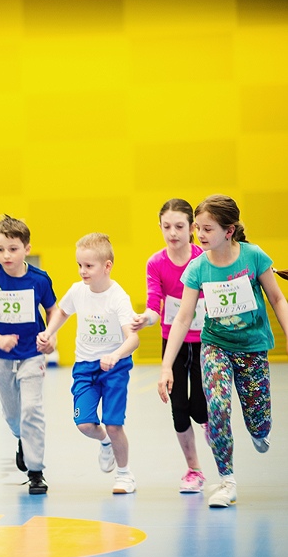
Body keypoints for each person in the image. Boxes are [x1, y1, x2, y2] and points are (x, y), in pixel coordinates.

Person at [158, 195, 288, 509]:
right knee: (217, 407)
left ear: (228, 231)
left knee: (258, 421)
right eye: (197, 229)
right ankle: (226, 480)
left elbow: (277, 300)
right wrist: (165, 367)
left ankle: (259, 428)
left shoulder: (253, 256)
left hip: (252, 348)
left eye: (207, 229)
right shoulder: (198, 267)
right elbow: (183, 317)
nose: (199, 235)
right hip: (215, 346)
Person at [37, 233, 139, 495]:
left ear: (107, 266)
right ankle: (104, 442)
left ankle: (125, 475)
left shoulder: (118, 297)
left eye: (89, 266)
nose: (83, 271)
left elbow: (133, 339)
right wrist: (50, 332)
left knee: (114, 424)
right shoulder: (77, 291)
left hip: (115, 367)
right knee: (84, 424)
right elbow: (62, 311)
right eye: (79, 265)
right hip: (84, 367)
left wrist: (115, 355)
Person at [0, 215, 57, 495]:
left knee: (32, 409)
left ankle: (36, 470)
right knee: (13, 414)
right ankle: (21, 438)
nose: (6, 255)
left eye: (13, 249)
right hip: (2, 356)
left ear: (27, 248)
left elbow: (52, 311)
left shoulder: (39, 280)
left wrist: (50, 336)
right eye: (0, 249)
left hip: (32, 354)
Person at [131, 199, 209, 494]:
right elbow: (154, 306)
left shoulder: (205, 257)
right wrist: (145, 319)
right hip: (174, 343)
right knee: (179, 409)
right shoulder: (156, 263)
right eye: (166, 227)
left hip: (206, 342)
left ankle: (208, 424)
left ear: (191, 228)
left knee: (201, 410)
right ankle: (194, 470)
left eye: (179, 227)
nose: (172, 233)